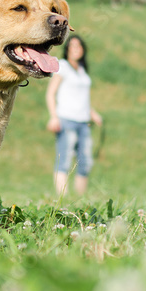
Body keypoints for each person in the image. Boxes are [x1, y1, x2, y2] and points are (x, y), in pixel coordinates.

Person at [46, 35, 102, 197]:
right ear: (67, 49)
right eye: (72, 46)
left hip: (84, 122)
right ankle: (62, 198)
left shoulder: (82, 70)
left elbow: (81, 97)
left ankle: (80, 198)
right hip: (67, 120)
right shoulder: (63, 66)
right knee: (64, 159)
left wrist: (93, 113)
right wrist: (53, 116)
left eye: (78, 46)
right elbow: (51, 93)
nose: (76, 49)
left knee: (85, 162)